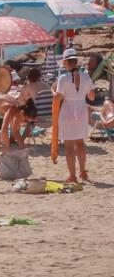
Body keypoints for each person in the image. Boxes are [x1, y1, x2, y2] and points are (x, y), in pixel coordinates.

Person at [55, 47, 93, 185]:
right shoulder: (86, 76)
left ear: (66, 62)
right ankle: (83, 171)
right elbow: (92, 96)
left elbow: (59, 97)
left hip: (67, 111)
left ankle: (72, 175)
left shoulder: (63, 78)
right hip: (81, 110)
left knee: (69, 146)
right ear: (76, 62)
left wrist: (54, 95)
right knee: (80, 143)